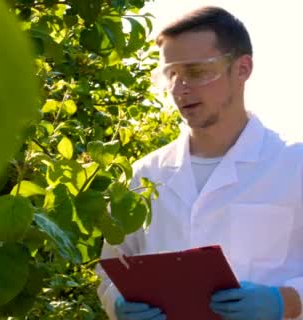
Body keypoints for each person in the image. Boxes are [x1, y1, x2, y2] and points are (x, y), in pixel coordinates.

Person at [95, 6, 303, 320]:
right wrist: (118, 304)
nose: (180, 89)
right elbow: (110, 271)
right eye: (172, 75)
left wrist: (286, 301)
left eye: (196, 72)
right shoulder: (145, 174)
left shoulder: (294, 163)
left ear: (242, 68)